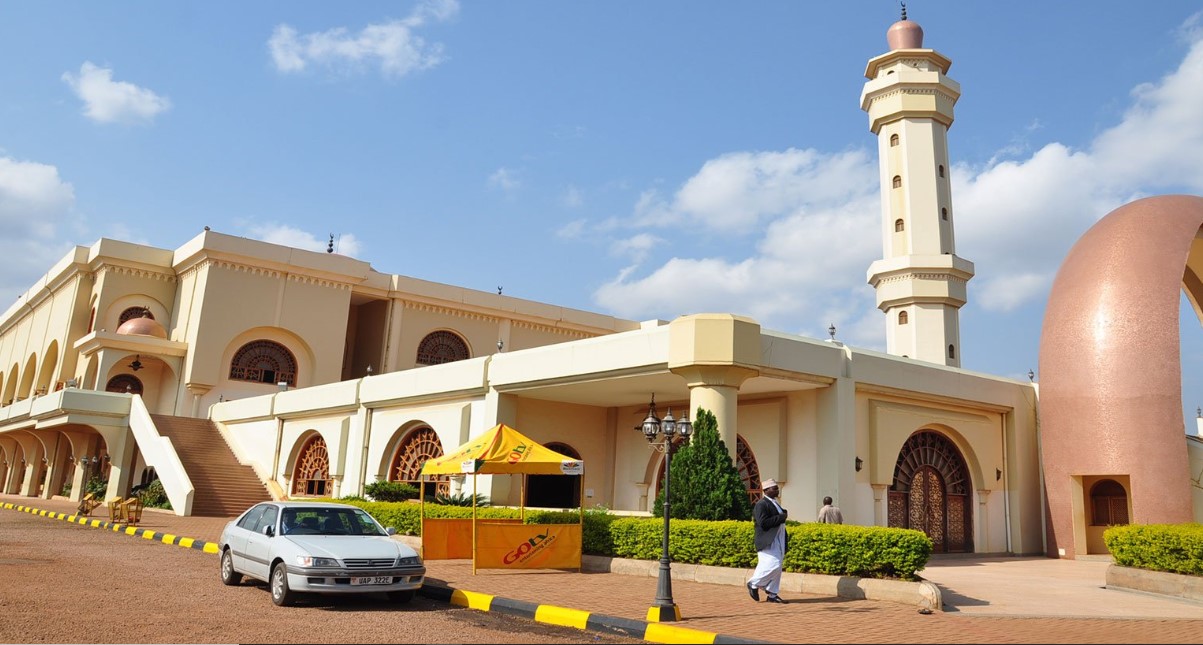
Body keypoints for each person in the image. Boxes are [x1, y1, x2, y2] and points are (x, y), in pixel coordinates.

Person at [746, 479, 788, 604]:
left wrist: (783, 513)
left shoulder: (774, 502)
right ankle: (754, 583)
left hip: (778, 539)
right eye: (774, 488)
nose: (777, 489)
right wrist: (781, 517)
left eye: (776, 487)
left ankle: (772, 594)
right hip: (768, 541)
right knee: (774, 564)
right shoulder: (761, 504)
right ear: (766, 490)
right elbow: (763, 523)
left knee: (778, 566)